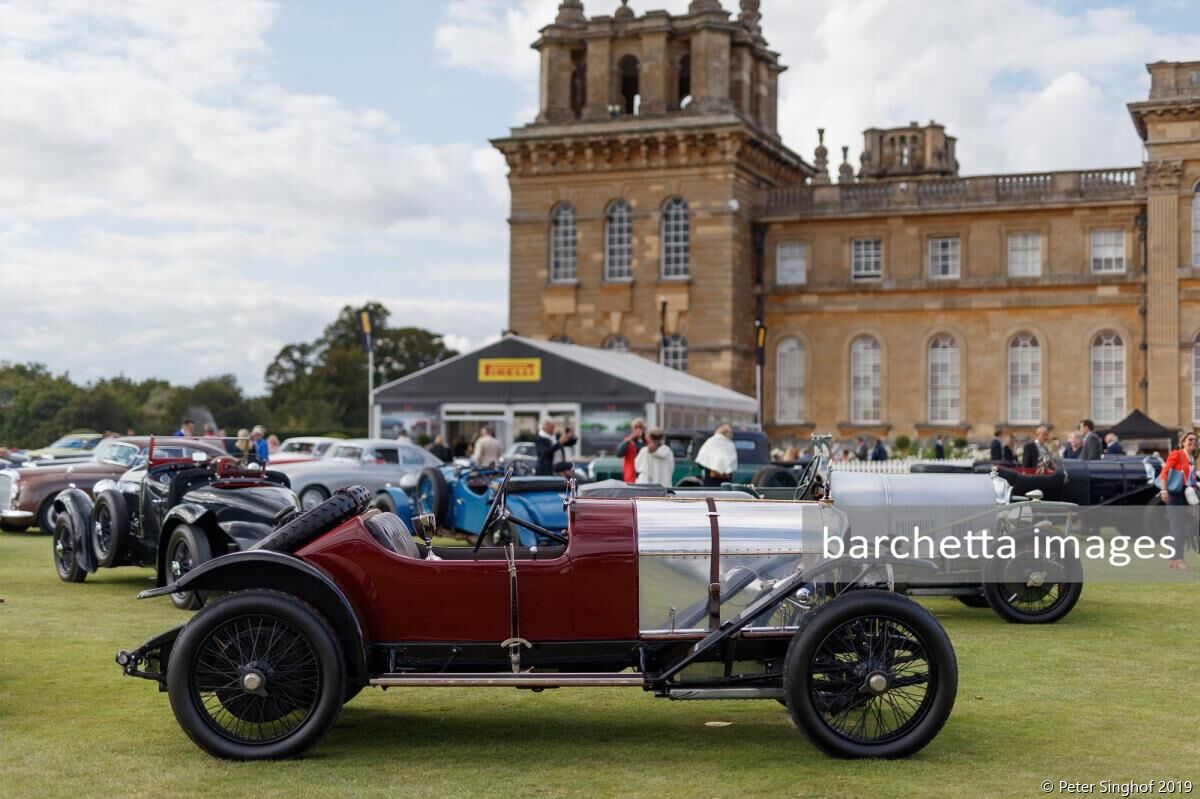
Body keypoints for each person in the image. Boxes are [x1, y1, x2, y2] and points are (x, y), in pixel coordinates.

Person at [1158, 430, 1198, 571]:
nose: (1193, 442)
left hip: (1185, 495)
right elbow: (1165, 472)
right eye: (1190, 439)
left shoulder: (1191, 458)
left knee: (1175, 528)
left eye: (1195, 440)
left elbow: (1190, 480)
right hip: (1175, 494)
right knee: (1178, 528)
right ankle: (1178, 559)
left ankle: (1172, 559)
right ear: (1183, 442)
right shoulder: (1177, 454)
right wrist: (1164, 490)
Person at [615, 418, 647, 483]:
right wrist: (629, 440)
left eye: (640, 427)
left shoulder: (648, 441)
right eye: (636, 427)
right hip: (631, 477)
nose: (638, 429)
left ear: (644, 428)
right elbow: (618, 454)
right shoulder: (627, 441)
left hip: (645, 477)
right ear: (632, 428)